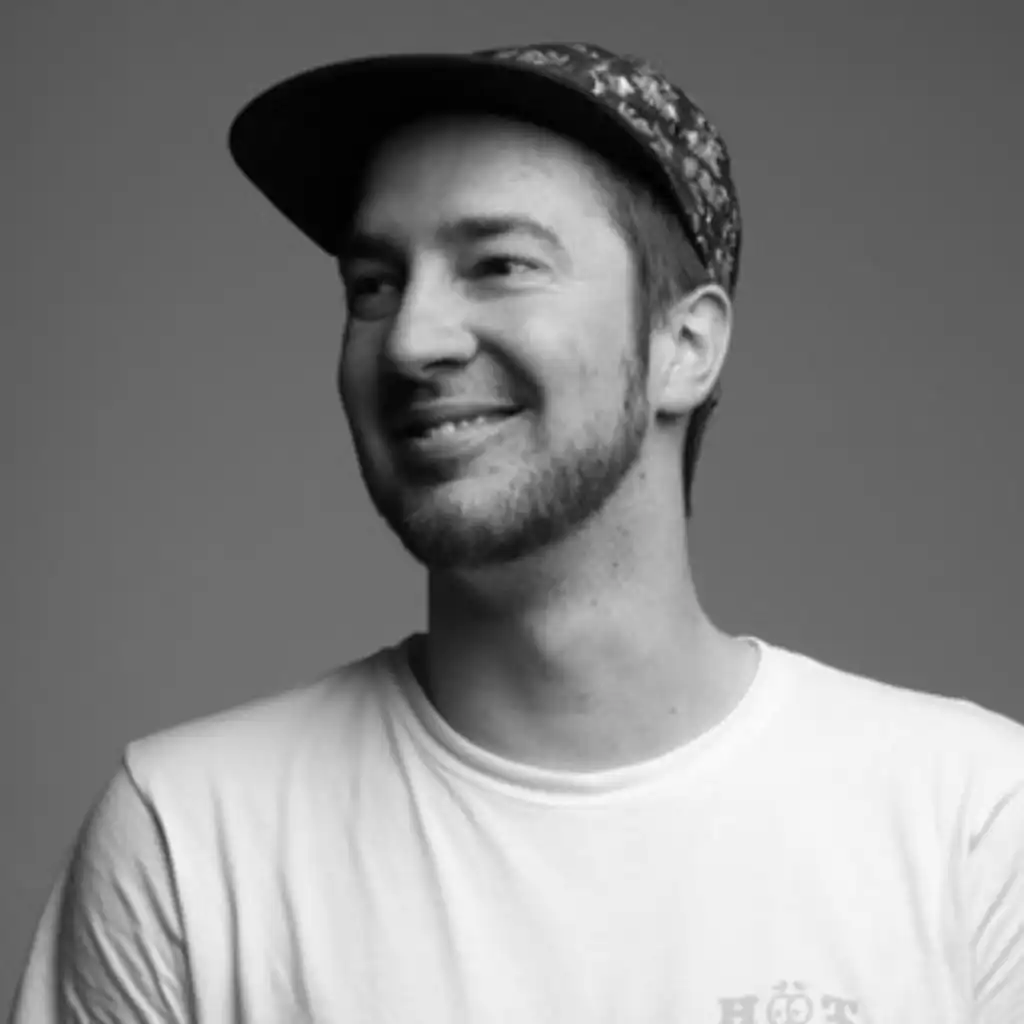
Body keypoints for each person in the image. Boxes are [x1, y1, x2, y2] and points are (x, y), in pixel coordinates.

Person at [8, 41, 1024, 1024]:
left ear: (685, 345)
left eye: (499, 264)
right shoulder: (190, 839)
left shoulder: (974, 822)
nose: (411, 340)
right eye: (374, 286)